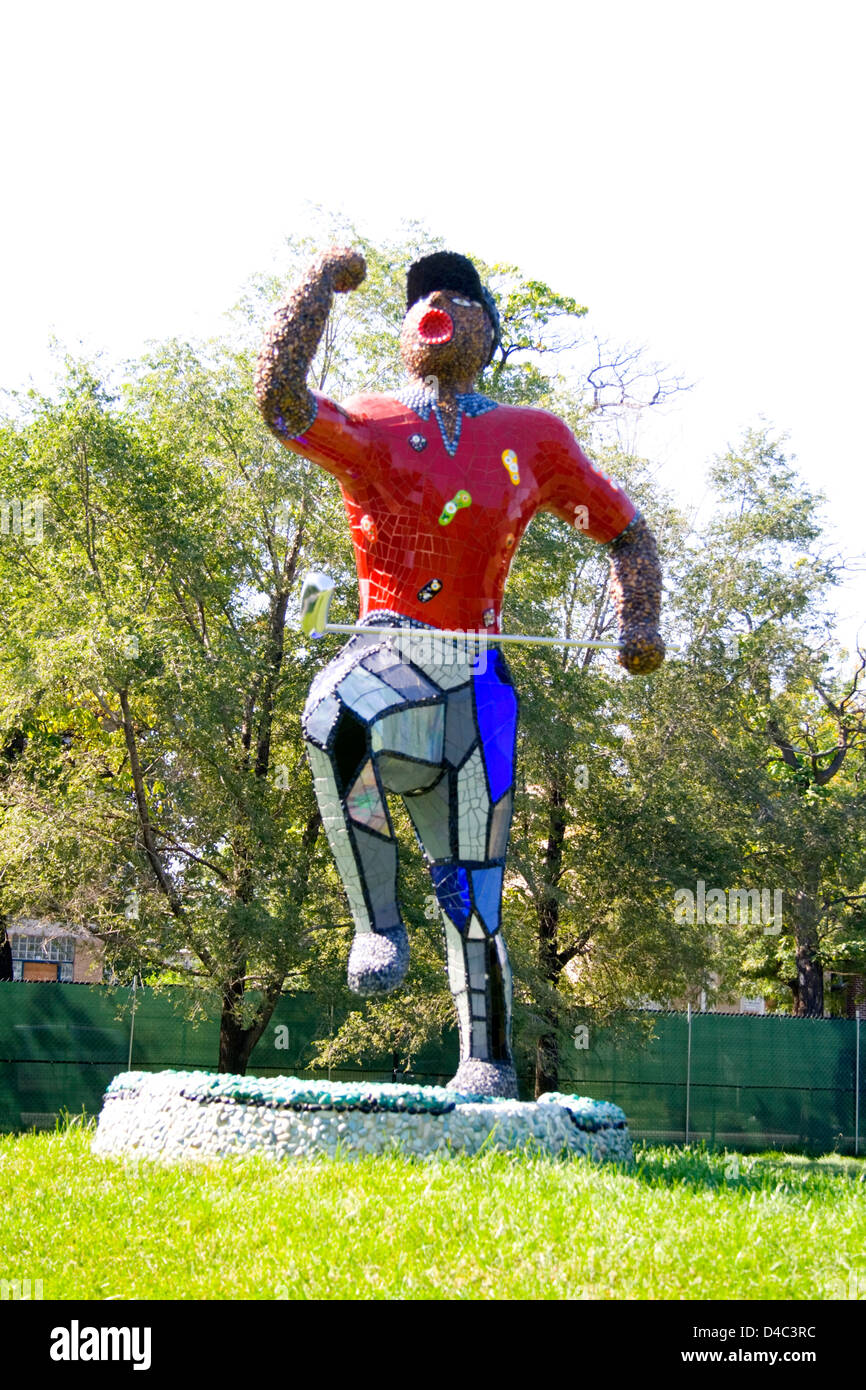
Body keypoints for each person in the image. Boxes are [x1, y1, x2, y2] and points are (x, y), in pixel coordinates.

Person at [255, 248, 665, 1096]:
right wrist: (316, 290)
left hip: (479, 681)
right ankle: (378, 924)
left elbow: (625, 530)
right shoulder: (370, 424)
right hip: (389, 647)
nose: (435, 301)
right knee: (337, 715)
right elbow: (281, 403)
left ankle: (487, 1060)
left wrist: (641, 620)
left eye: (459, 294)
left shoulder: (534, 439)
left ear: (487, 328)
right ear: (407, 332)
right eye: (420, 297)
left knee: (477, 891)